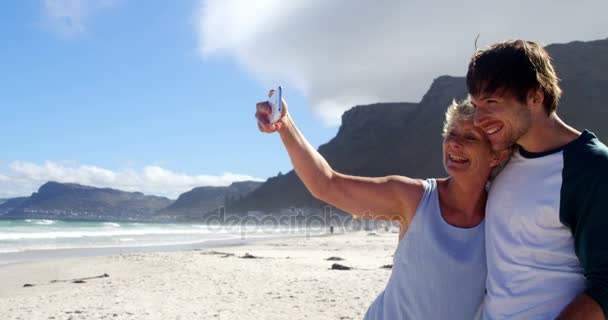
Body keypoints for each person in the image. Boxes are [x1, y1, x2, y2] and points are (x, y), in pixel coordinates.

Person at [256, 96, 508, 319]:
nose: (455, 143)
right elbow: (327, 184)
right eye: (451, 134)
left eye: (470, 137)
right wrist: (286, 126)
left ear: (496, 155)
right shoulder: (415, 198)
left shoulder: (505, 215)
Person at [467, 39, 608, 319]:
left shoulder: (591, 168)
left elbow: (606, 286)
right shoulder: (502, 159)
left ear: (535, 96)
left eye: (491, 102)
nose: (478, 118)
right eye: (475, 105)